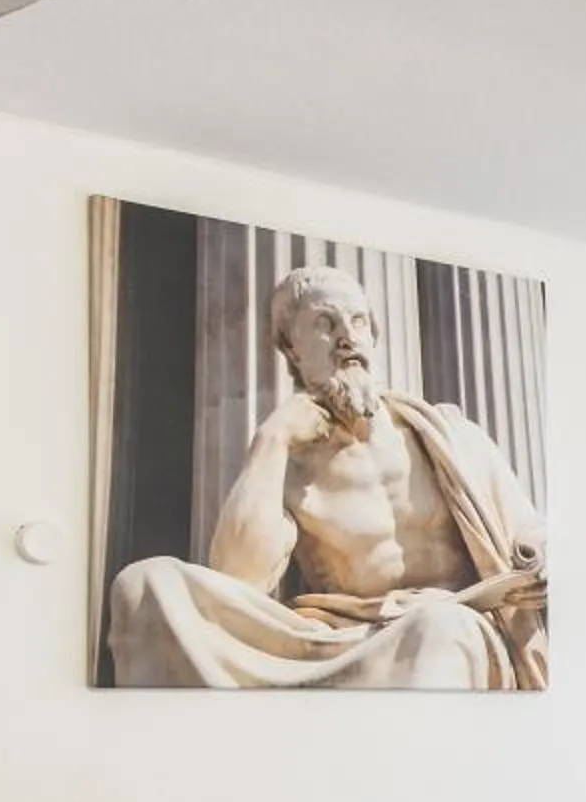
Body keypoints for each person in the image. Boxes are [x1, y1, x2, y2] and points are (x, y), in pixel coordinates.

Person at [105, 265, 548, 689]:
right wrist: (272, 440)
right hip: (339, 640)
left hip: (453, 617)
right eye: (324, 323)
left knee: (438, 628)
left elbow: (529, 533)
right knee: (144, 584)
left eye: (358, 321)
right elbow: (238, 582)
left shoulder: (450, 437)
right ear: (291, 350)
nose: (346, 338)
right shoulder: (289, 462)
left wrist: (543, 563)